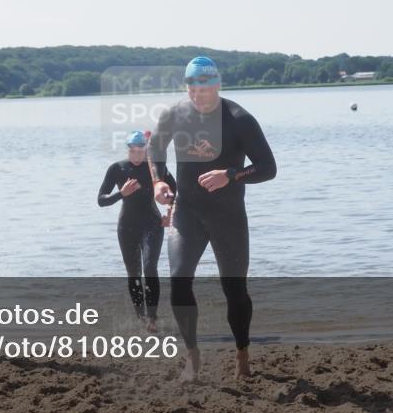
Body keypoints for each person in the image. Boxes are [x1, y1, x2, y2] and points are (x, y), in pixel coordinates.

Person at [149, 56, 277, 381]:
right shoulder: (174, 114)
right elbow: (155, 151)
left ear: (218, 85)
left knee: (234, 290)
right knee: (178, 281)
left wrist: (231, 175)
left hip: (228, 215)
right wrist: (159, 182)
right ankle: (192, 357)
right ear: (186, 87)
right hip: (187, 213)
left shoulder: (239, 119)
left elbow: (268, 167)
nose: (198, 95)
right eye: (193, 88)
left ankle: (242, 354)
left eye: (205, 88)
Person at [97, 130, 176, 332]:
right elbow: (101, 200)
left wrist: (170, 213)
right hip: (127, 227)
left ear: (146, 149)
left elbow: (174, 193)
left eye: (141, 150)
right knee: (133, 274)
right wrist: (121, 194)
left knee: (150, 269)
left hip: (153, 224)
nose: (137, 154)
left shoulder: (156, 170)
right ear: (128, 149)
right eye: (133, 150)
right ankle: (140, 318)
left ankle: (152, 318)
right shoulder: (117, 168)